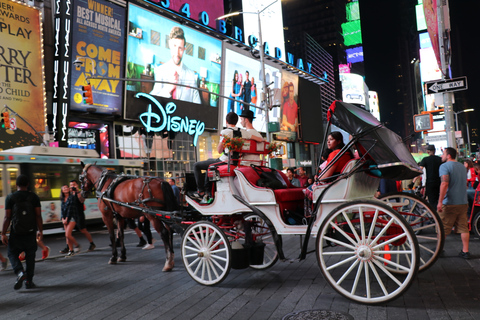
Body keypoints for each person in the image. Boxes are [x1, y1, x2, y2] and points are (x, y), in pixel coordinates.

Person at [1, 174, 43, 289]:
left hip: (16, 233)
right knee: (30, 256)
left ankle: (20, 272)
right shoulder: (33, 197)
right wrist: (40, 230)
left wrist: (3, 233)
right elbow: (38, 215)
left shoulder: (10, 197)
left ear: (16, 184)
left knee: (11, 253)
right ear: (28, 184)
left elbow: (7, 217)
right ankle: (29, 282)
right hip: (30, 232)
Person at [150, 26, 200, 104]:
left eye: (180, 48)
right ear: (170, 45)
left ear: (184, 49)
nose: (177, 53)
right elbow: (152, 101)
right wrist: (167, 89)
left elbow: (198, 106)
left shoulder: (191, 75)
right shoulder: (160, 71)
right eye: (174, 46)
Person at [437, 147, 470, 259]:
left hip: (449, 202)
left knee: (442, 227)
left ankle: (439, 250)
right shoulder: (462, 167)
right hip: (463, 201)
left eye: (443, 154)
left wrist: (440, 201)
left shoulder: (444, 166)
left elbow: (444, 184)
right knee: (463, 227)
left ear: (449, 155)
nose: (442, 156)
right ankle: (465, 251)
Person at [60, 181, 96, 256]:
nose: (72, 186)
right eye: (71, 185)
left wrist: (77, 191)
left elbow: (82, 200)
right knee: (67, 233)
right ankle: (69, 248)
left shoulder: (79, 192)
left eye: (74, 185)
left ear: (77, 185)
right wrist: (64, 218)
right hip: (70, 215)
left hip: (78, 214)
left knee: (83, 230)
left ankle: (91, 243)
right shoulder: (69, 193)